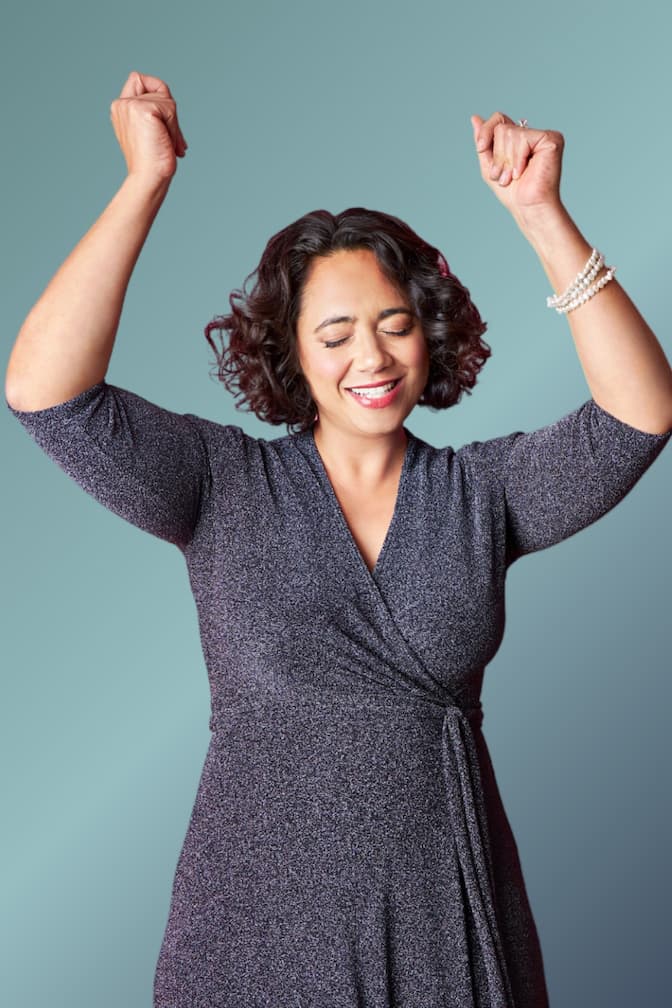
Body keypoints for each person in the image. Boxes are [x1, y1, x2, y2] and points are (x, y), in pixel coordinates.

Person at [5, 70, 672, 1008]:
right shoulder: (221, 482)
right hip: (251, 936)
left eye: (395, 326)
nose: (372, 358)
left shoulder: (482, 492)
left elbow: (638, 416)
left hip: (447, 922)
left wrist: (540, 213)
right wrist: (143, 180)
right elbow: (47, 393)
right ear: (292, 352)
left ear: (429, 337)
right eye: (336, 334)